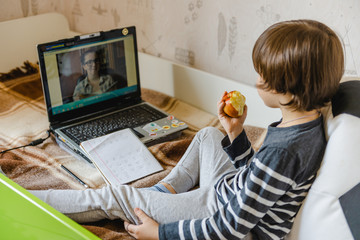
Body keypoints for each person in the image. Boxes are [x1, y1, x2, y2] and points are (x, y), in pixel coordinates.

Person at [30, 19, 344, 239]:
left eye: (261, 76)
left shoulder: (284, 152)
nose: (256, 81)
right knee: (209, 135)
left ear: (287, 91)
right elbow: (257, 177)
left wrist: (160, 233)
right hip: (231, 192)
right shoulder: (303, 122)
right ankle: (164, 191)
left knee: (118, 196)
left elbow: (230, 227)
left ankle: (26, 200)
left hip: (224, 216)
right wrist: (235, 133)